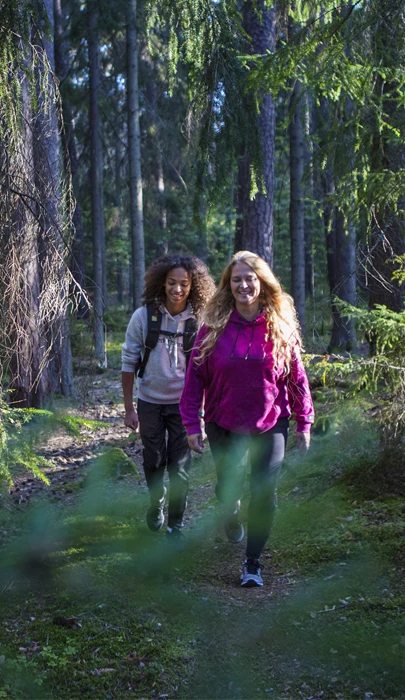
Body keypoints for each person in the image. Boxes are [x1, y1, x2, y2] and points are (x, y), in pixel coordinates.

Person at [180, 251, 314, 587]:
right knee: (228, 489)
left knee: (264, 493)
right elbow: (195, 378)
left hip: (271, 421)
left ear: (262, 283)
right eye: (237, 279)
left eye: (250, 278)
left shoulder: (280, 328)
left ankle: (252, 563)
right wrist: (191, 424)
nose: (244, 285)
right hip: (223, 422)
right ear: (228, 285)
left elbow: (296, 378)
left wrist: (304, 420)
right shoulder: (213, 328)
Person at [121, 253, 216, 537]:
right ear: (161, 283)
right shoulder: (143, 317)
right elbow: (128, 362)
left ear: (193, 285)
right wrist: (129, 408)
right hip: (149, 401)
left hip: (184, 406)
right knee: (153, 460)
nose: (177, 289)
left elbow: (208, 367)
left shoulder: (199, 321)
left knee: (180, 467)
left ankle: (176, 524)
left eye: (184, 284)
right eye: (172, 283)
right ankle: (156, 502)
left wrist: (203, 412)